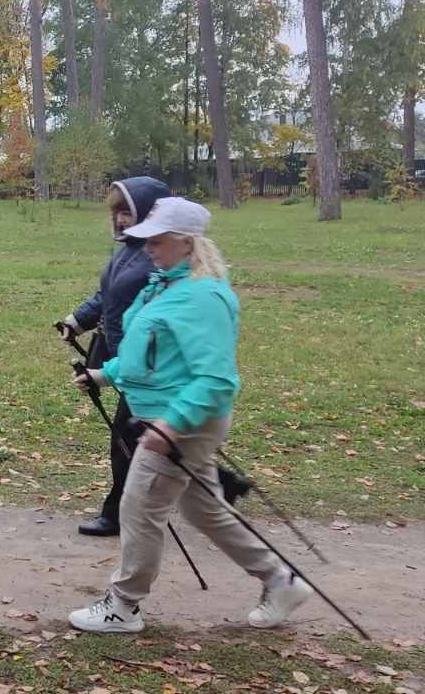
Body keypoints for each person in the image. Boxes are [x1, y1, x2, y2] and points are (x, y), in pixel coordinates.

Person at [68, 197, 311, 634]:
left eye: (156, 240)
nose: (147, 248)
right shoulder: (165, 285)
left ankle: (123, 606)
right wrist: (103, 374)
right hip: (169, 418)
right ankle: (280, 580)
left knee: (139, 507)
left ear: (185, 242)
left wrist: (172, 423)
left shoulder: (202, 296)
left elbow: (216, 380)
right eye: (145, 240)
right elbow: (147, 356)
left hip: (184, 422)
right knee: (206, 512)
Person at [58, 176, 170, 536]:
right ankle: (206, 487)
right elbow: (107, 295)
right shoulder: (128, 249)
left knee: (129, 437)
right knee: (141, 436)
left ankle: (118, 515)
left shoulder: (157, 257)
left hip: (145, 365)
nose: (121, 220)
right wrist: (77, 321)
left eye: (129, 211)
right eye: (117, 212)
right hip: (121, 357)